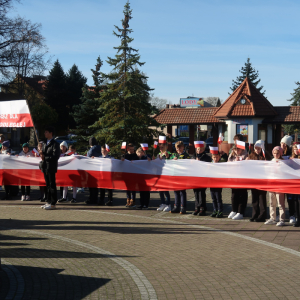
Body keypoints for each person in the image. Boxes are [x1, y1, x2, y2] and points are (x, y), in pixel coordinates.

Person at [39, 126, 61, 210]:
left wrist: (45, 157)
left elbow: (56, 156)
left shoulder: (55, 144)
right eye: (45, 132)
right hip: (45, 167)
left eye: (46, 132)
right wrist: (41, 152)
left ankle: (53, 203)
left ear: (51, 133)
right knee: (47, 185)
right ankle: (48, 201)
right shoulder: (44, 143)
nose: (45, 133)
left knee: (52, 185)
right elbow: (43, 154)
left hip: (51, 167)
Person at [246, 140, 267, 222]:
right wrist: (246, 161)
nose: (257, 151)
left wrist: (266, 163)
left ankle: (262, 215)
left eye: (259, 149)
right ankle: (254, 214)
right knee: (254, 198)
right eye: (256, 149)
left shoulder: (265, 156)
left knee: (262, 198)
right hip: (254, 180)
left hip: (262, 180)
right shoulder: (251, 156)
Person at [264, 146, 285, 226]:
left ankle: (282, 219)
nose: (276, 155)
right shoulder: (272, 161)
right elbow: (268, 172)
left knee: (280, 203)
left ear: (280, 154)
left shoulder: (283, 162)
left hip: (279, 185)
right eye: (275, 153)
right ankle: (272, 218)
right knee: (272, 202)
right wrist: (266, 165)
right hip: (272, 184)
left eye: (278, 153)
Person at [228, 145, 248, 220]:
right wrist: (234, 162)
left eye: (238, 150)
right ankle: (234, 210)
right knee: (234, 195)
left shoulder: (246, 155)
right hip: (234, 178)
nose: (237, 151)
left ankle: (241, 212)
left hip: (242, 178)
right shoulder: (232, 155)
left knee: (242, 196)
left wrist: (242, 161)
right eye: (235, 150)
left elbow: (247, 165)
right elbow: (228, 164)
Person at [192, 143, 212, 216]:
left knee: (201, 193)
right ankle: (196, 207)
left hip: (203, 177)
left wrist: (200, 162)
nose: (199, 151)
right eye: (198, 149)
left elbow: (208, 166)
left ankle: (202, 208)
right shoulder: (194, 157)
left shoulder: (206, 157)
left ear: (204, 149)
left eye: (201, 149)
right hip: (195, 177)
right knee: (196, 193)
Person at [170, 141, 190, 214]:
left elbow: (188, 164)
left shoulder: (186, 155)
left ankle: (183, 207)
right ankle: (176, 206)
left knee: (182, 192)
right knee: (176, 191)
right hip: (175, 175)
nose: (179, 150)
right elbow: (168, 158)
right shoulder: (174, 155)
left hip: (182, 175)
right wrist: (172, 159)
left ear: (183, 147)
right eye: (177, 148)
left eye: (180, 148)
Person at [210, 151, 227, 218]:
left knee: (218, 198)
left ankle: (220, 211)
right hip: (212, 183)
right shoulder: (210, 164)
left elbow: (225, 159)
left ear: (219, 157)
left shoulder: (221, 163)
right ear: (212, 157)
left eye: (217, 157)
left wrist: (224, 154)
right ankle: (215, 210)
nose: (215, 159)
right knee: (213, 197)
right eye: (214, 157)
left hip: (218, 183)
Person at [121, 143, 139, 208]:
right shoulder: (125, 156)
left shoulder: (135, 156)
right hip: (127, 174)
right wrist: (122, 160)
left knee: (133, 188)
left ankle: (133, 200)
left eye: (133, 149)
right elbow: (121, 164)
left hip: (133, 174)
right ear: (127, 149)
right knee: (127, 188)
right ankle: (128, 199)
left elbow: (139, 163)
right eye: (130, 149)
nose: (132, 150)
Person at [156, 142, 172, 212]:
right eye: (160, 147)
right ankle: (163, 203)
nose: (161, 149)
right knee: (160, 190)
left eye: (162, 147)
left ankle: (168, 204)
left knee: (166, 190)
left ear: (166, 147)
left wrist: (167, 157)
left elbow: (171, 162)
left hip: (166, 174)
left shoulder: (170, 154)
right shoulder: (158, 155)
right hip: (159, 174)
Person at [86, 137, 102, 204]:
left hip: (91, 170)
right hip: (98, 169)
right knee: (96, 186)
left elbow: (88, 158)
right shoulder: (100, 148)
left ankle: (91, 199)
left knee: (91, 186)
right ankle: (95, 199)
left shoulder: (92, 150)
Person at [288, 144, 300, 226]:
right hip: (294, 183)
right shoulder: (290, 159)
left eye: (297, 149)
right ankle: (297, 218)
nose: (296, 150)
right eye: (294, 149)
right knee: (295, 202)